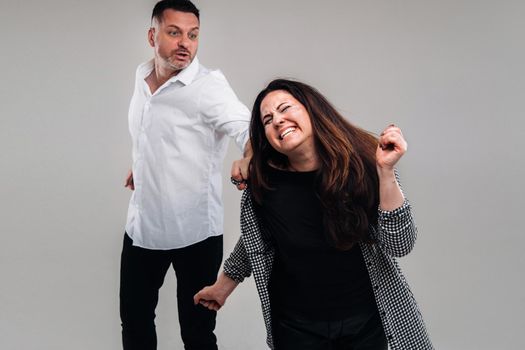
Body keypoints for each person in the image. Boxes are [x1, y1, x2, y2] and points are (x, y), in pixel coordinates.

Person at [194, 79, 434, 350]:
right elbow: (257, 239)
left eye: (285, 108)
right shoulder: (263, 182)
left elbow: (399, 245)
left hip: (366, 321)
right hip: (296, 328)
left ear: (311, 109)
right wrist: (224, 285)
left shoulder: (364, 163)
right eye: (268, 119)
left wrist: (386, 173)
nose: (278, 121)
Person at [120, 1, 251, 349]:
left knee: (197, 334)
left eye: (193, 35)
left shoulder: (209, 86)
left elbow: (248, 129)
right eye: (174, 32)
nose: (185, 44)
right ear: (152, 35)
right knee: (134, 326)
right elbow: (153, 129)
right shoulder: (141, 75)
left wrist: (250, 157)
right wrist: (145, 165)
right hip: (142, 228)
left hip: (195, 234)